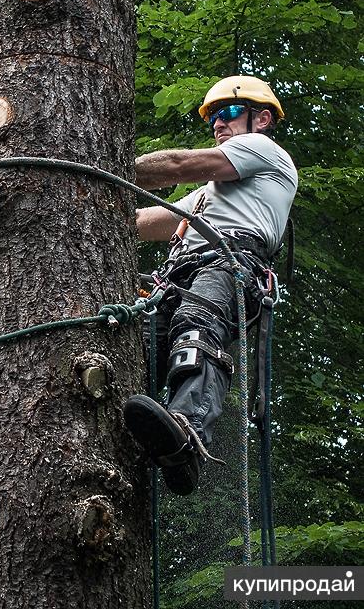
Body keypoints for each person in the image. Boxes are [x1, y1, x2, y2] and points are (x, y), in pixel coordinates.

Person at [124, 76, 297, 495]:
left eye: (229, 113)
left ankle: (188, 431)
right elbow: (145, 222)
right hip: (178, 277)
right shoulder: (207, 197)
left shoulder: (263, 151)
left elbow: (178, 166)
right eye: (213, 117)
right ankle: (138, 442)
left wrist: (102, 166)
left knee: (196, 326)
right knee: (133, 349)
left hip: (230, 264)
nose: (219, 123)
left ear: (262, 119)